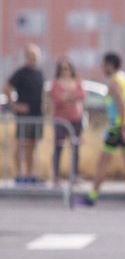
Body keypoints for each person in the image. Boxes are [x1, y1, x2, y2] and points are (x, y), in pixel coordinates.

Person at [76, 52, 125, 209]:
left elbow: (121, 105)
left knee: (102, 163)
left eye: (103, 65)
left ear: (110, 65)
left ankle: (92, 197)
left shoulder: (115, 82)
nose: (102, 68)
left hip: (118, 127)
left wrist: (121, 128)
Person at [3, 44, 45, 185]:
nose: (33, 59)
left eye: (36, 57)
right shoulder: (21, 72)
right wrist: (15, 106)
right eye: (31, 56)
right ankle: (18, 174)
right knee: (21, 144)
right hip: (24, 116)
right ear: (26, 57)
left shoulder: (39, 73)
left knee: (32, 146)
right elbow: (6, 87)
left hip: (37, 115)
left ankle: (29, 174)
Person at [49, 57, 86, 187]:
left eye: (67, 68)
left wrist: (70, 97)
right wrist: (69, 98)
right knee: (58, 147)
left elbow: (82, 94)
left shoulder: (77, 81)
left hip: (76, 119)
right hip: (61, 120)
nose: (65, 71)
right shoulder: (56, 83)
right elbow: (58, 99)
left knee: (75, 148)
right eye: (62, 68)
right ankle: (56, 176)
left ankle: (75, 175)